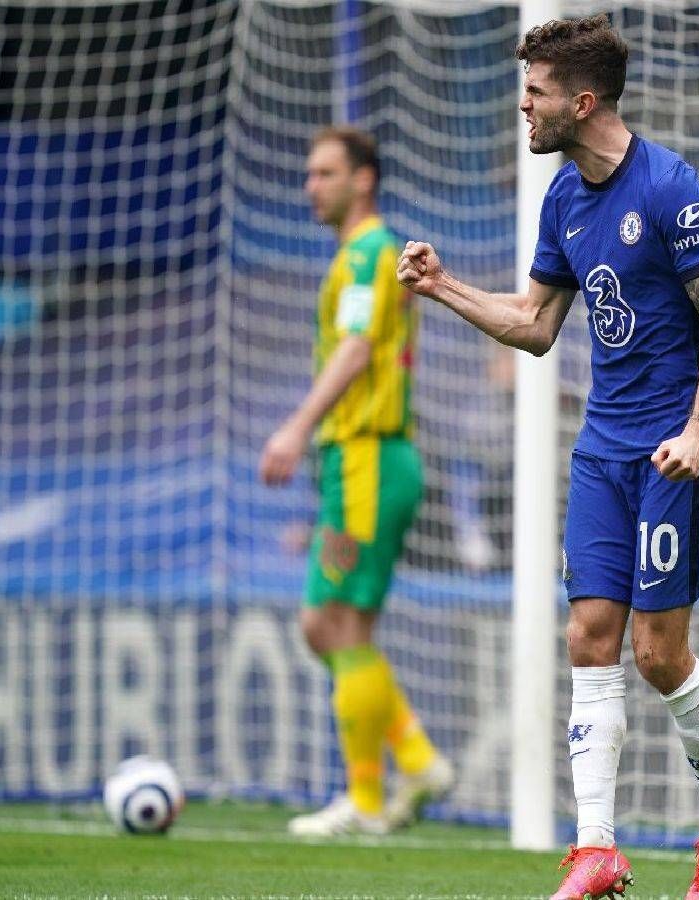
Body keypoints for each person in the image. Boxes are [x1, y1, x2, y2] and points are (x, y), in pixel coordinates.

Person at [398, 17, 699, 900]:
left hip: (673, 453)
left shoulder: (669, 187)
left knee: (658, 654)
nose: (524, 106)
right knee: (588, 636)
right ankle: (596, 847)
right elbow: (534, 324)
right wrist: (442, 286)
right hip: (602, 450)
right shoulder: (563, 197)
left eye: (537, 92)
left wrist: (697, 431)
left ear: (582, 102)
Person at [260, 126, 453, 836]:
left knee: (332, 622)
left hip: (369, 462)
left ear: (362, 179)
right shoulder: (356, 253)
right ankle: (413, 762)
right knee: (333, 626)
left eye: (325, 173)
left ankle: (369, 798)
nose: (310, 186)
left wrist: (295, 427)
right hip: (355, 469)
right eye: (310, 173)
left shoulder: (372, 251)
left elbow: (356, 350)